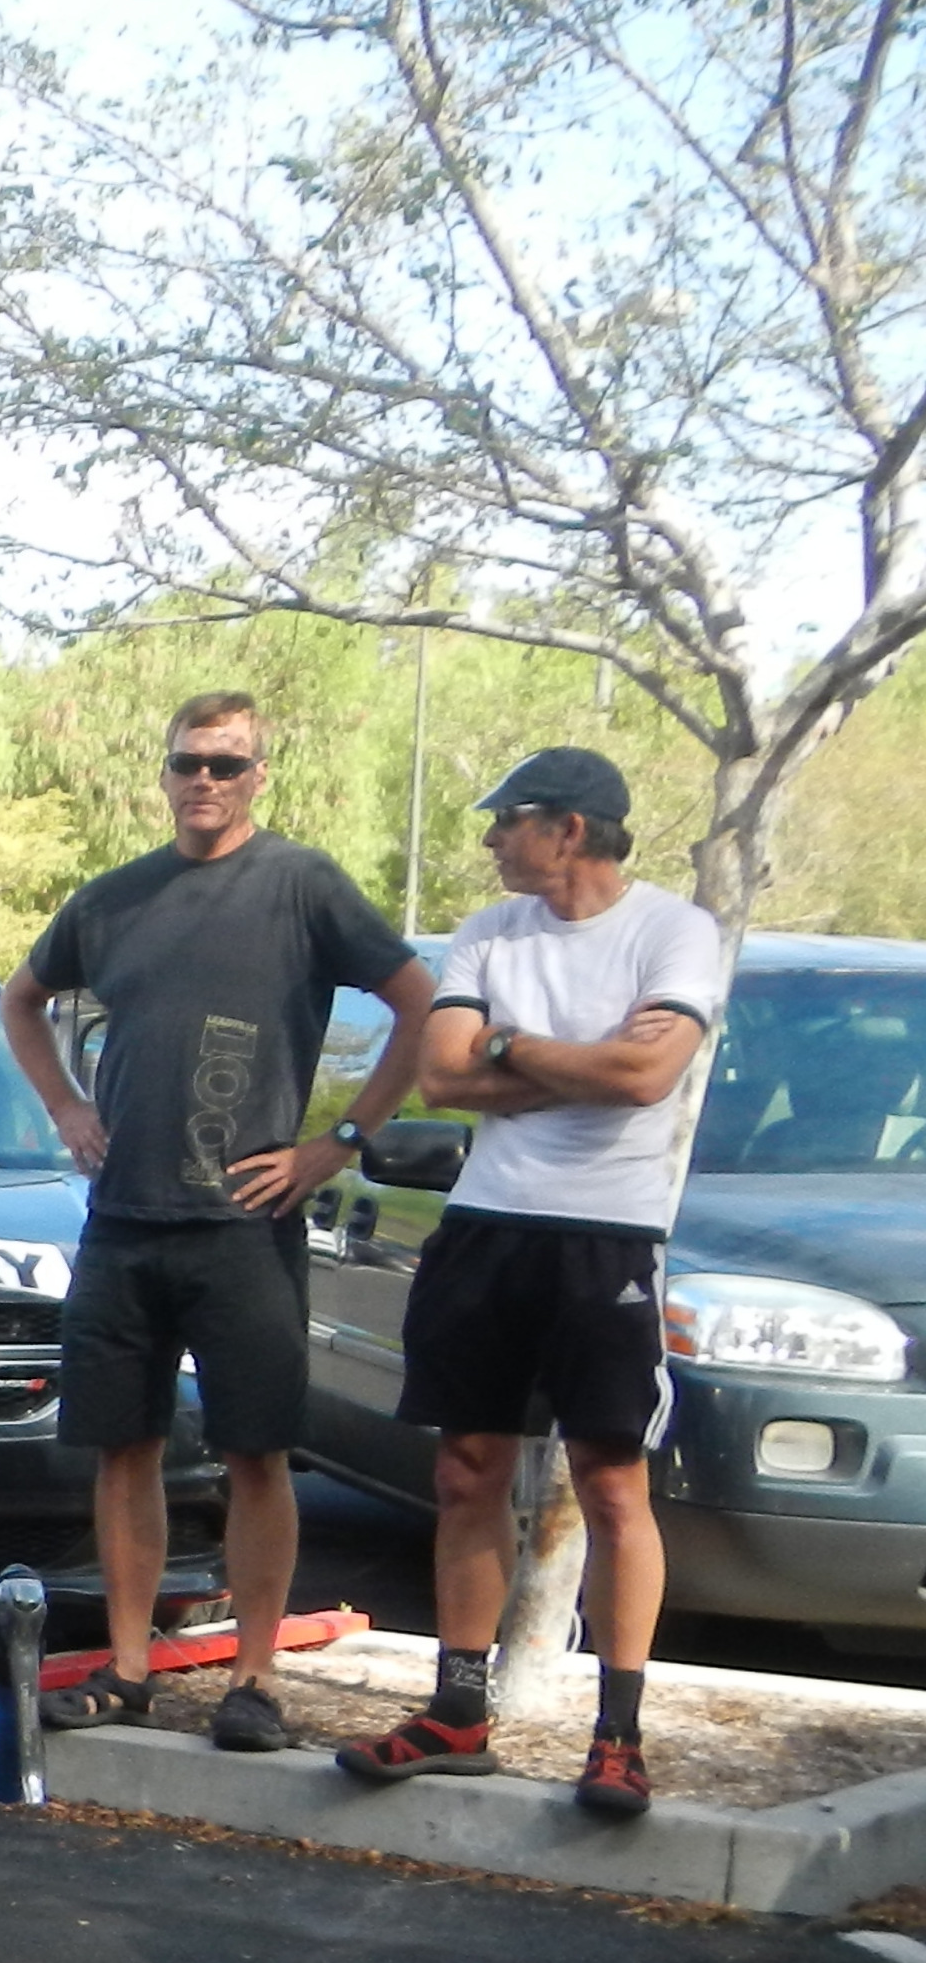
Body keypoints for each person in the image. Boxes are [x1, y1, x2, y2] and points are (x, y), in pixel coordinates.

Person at [0, 693, 436, 1746]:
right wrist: (66, 1107)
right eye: (189, 762)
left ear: (257, 776)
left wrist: (339, 1142)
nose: (205, 780)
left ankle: (255, 1679)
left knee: (255, 1453)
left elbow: (419, 1000)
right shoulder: (114, 899)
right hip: (124, 1220)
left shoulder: (303, 885)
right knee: (124, 1449)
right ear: (165, 773)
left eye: (227, 765)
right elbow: (20, 999)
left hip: (245, 1223)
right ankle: (128, 1666)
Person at [334, 749, 726, 1820]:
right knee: (467, 1471)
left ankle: (618, 1737)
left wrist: (511, 1045)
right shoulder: (488, 933)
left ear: (570, 828)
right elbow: (444, 1073)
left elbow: (647, 1076)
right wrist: (576, 1060)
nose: (492, 839)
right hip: (487, 1229)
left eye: (507, 820)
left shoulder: (673, 932)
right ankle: (458, 1715)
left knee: (610, 1481)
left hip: (607, 1236)